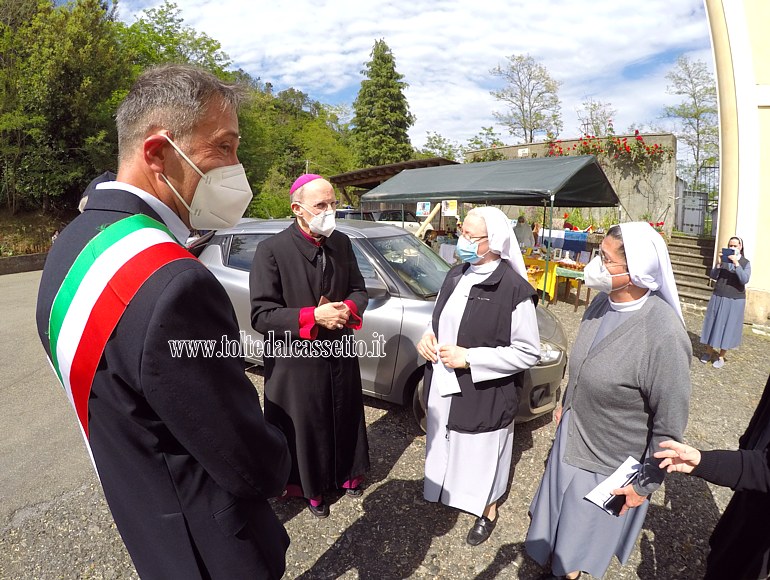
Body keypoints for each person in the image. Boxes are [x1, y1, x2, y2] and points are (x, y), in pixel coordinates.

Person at [35, 64, 291, 579]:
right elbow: (244, 457)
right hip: (212, 548)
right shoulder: (173, 283)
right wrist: (284, 447)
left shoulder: (73, 242)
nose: (236, 167)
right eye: (223, 147)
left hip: (151, 525)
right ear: (158, 154)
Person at [525, 222, 692, 579]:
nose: (593, 265)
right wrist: (566, 403)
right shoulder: (602, 302)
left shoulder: (663, 335)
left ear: (634, 274)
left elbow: (670, 423)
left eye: (604, 258)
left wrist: (645, 485)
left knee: (576, 550)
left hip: (606, 464)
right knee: (553, 531)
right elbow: (586, 362)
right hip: (571, 440)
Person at [417, 206, 541, 546]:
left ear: (495, 241)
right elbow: (439, 319)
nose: (462, 240)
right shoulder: (456, 273)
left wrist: (469, 358)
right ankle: (445, 490)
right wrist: (428, 337)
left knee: (482, 453)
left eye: (472, 236)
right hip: (444, 380)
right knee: (443, 440)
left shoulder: (514, 289)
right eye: (462, 232)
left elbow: (528, 352)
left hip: (485, 390)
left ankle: (487, 510)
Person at [250, 174, 370, 518]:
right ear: (297, 209)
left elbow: (360, 290)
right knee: (307, 424)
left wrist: (348, 308)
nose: (330, 211)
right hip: (295, 361)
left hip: (338, 352)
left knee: (344, 412)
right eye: (321, 205)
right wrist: (313, 316)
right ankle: (309, 487)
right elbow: (262, 315)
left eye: (334, 204)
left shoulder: (342, 243)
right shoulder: (271, 250)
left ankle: (346, 473)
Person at [654, 374, 770, 580]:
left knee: (743, 563)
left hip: (762, 496)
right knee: (726, 547)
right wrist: (746, 443)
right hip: (750, 479)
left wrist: (705, 462)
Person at [699, 235, 751, 368]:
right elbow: (713, 275)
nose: (732, 248)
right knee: (713, 322)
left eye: (735, 245)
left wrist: (736, 264)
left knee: (728, 326)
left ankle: (721, 356)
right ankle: (708, 351)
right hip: (719, 295)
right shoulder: (724, 260)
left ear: (741, 247)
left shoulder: (745, 262)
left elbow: (744, 279)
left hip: (735, 299)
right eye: (730, 245)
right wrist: (718, 263)